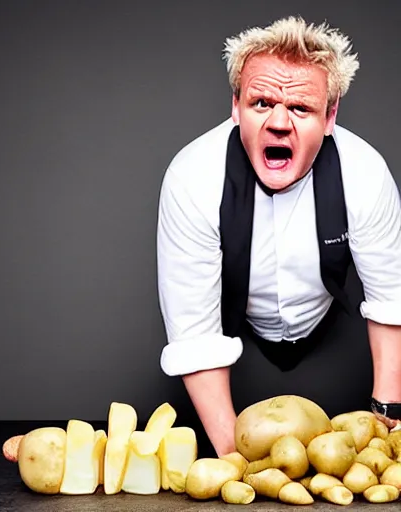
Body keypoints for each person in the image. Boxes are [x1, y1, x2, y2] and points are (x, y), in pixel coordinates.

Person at [156, 16, 401, 458]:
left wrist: (387, 420)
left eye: (301, 108)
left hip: (332, 338)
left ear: (330, 116)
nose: (279, 122)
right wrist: (237, 464)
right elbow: (193, 331)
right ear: (235, 107)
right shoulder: (192, 176)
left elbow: (391, 298)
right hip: (238, 344)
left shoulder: (364, 172)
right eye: (261, 102)